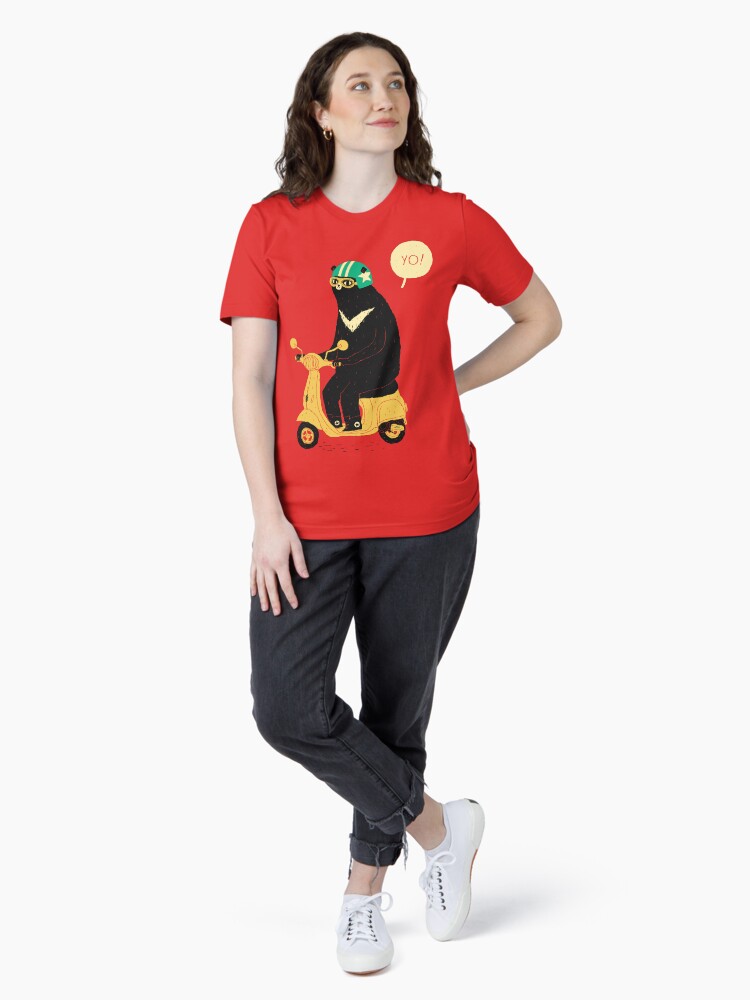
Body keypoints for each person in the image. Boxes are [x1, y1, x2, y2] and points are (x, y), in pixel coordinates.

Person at [219, 32, 562, 975]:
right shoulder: (271, 226)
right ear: (321, 113)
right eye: (361, 84)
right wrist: (266, 516)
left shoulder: (451, 221)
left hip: (430, 509)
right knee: (287, 708)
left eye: (397, 83)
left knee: (395, 710)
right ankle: (441, 827)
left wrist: (451, 382)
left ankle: (363, 895)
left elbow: (541, 318)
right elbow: (250, 380)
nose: (385, 97)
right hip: (305, 519)